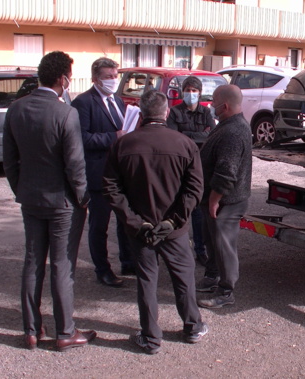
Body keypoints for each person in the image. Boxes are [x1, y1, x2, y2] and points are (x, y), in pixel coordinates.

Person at [3, 51, 96, 351]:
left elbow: (9, 162)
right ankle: (65, 332)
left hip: (30, 199)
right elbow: (75, 165)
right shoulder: (66, 113)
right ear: (62, 78)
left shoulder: (15, 110)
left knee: (32, 262)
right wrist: (83, 198)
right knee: (61, 264)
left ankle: (32, 330)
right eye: (69, 75)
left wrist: (22, 190)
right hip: (62, 203)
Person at [103, 90, 208, 354]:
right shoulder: (184, 144)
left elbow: (112, 188)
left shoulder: (123, 145)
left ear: (140, 112)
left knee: (147, 280)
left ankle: (151, 338)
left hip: (141, 230)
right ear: (167, 112)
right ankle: (192, 327)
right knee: (183, 277)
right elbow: (195, 189)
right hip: (173, 229)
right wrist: (174, 221)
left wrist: (135, 222)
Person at [71, 57, 133, 288]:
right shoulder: (83, 103)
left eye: (115, 76)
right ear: (95, 79)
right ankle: (103, 269)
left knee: (126, 220)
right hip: (99, 175)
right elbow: (81, 138)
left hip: (121, 173)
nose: (113, 81)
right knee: (99, 226)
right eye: (108, 77)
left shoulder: (118, 101)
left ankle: (128, 262)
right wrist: (113, 137)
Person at [196, 84, 252, 309]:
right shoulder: (230, 125)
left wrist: (213, 200)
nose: (211, 107)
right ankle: (213, 275)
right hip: (221, 199)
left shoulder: (232, 131)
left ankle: (226, 292)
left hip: (226, 201)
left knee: (223, 244)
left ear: (225, 106)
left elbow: (226, 172)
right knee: (213, 241)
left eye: (214, 103)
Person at [166, 76, 216, 266]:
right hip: (179, 168)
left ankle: (200, 250)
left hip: (199, 167)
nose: (191, 94)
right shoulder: (174, 112)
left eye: (195, 91)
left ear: (200, 93)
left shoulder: (205, 112)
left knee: (197, 212)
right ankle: (175, 249)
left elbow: (211, 133)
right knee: (178, 208)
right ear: (182, 92)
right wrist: (197, 136)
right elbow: (172, 136)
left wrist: (185, 135)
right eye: (188, 90)